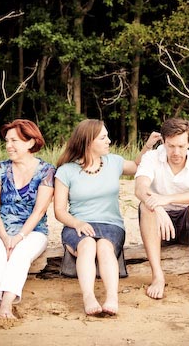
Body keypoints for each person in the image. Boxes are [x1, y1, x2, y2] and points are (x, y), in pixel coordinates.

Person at [53, 119, 160, 316]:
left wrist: (148, 145)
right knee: (87, 245)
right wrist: (77, 223)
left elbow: (137, 166)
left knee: (103, 246)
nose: (109, 141)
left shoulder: (114, 162)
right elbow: (59, 211)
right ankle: (89, 297)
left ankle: (112, 297)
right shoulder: (66, 171)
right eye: (103, 137)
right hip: (77, 224)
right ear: (88, 142)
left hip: (111, 225)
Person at [0, 119, 56, 319]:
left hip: (33, 231)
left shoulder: (47, 171)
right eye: (7, 141)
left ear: (30, 142)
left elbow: (38, 212)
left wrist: (18, 238)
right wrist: (4, 237)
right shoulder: (0, 169)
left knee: (20, 256)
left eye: (14, 141)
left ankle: (7, 305)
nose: (8, 146)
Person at [135, 117, 189, 307]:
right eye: (171, 146)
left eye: (181, 146)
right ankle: (158, 277)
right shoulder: (151, 158)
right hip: (159, 224)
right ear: (163, 142)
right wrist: (158, 206)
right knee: (145, 206)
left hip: (187, 222)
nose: (176, 152)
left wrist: (167, 199)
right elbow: (140, 188)